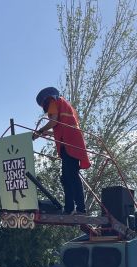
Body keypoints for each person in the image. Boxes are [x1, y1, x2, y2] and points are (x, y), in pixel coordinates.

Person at [33, 86, 90, 215]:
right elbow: (60, 128)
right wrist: (46, 133)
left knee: (71, 177)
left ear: (45, 100)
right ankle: (72, 208)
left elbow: (53, 122)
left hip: (69, 144)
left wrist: (40, 131)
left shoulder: (53, 102)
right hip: (73, 142)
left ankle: (77, 208)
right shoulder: (64, 104)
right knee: (67, 177)